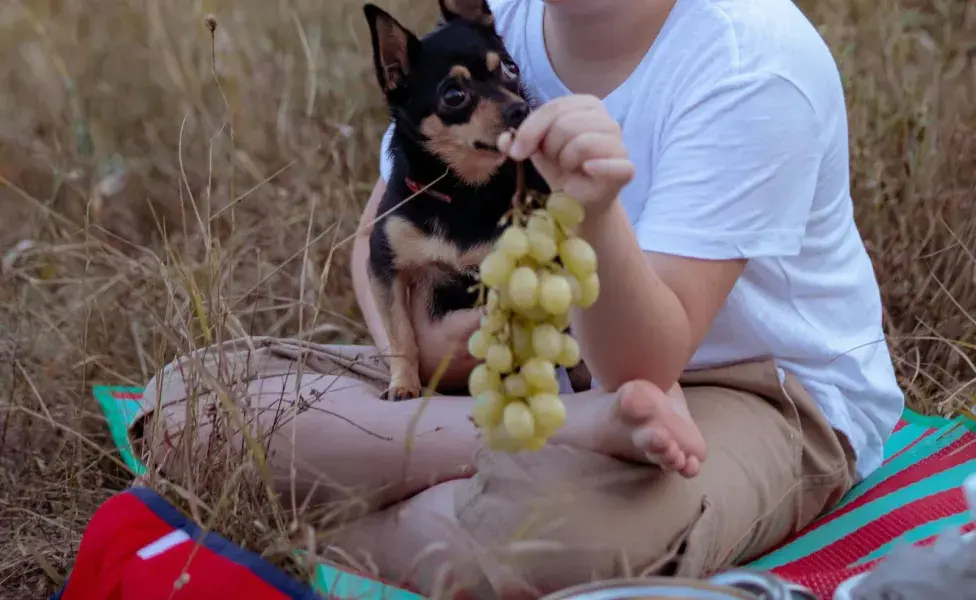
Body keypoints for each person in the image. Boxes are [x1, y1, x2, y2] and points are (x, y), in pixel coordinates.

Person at [132, 0, 905, 597]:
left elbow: (645, 363)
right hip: (514, 377)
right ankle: (559, 436)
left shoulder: (751, 61)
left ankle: (327, 512)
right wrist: (430, 357)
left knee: (525, 543)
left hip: (742, 385)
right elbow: (378, 234)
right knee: (182, 409)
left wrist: (593, 211)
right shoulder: (491, 22)